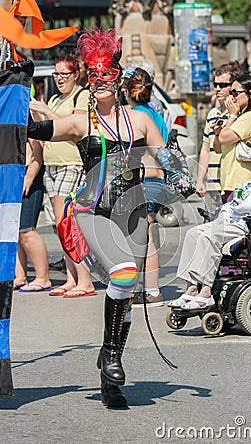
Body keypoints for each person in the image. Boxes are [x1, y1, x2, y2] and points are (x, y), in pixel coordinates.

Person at [28, 28, 181, 408]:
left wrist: (180, 175)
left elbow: (165, 158)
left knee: (125, 293)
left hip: (130, 211)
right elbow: (41, 129)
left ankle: (110, 374)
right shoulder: (83, 121)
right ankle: (111, 356)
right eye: (91, 75)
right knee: (126, 272)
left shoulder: (140, 121)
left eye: (105, 74)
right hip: (91, 210)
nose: (98, 82)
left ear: (118, 77)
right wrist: (14, 99)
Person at [169, 135, 251, 310]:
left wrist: (250, 209)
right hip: (235, 220)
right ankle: (190, 288)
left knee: (211, 236)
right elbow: (239, 194)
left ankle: (205, 291)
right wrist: (228, 209)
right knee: (193, 233)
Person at [30, 55, 95, 298]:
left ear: (76, 74)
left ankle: (85, 279)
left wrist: (46, 110)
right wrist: (38, 114)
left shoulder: (82, 96)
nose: (59, 79)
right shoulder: (56, 98)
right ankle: (71, 278)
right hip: (53, 164)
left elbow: (75, 127)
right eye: (56, 74)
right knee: (60, 227)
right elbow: (48, 129)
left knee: (68, 223)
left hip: (72, 163)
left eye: (64, 74)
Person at [122, 66, 168, 307]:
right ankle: (146, 288)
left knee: (145, 236)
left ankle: (152, 291)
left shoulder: (136, 116)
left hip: (147, 180)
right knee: (146, 234)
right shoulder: (154, 113)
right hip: (156, 180)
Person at [213, 74, 251, 202]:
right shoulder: (238, 117)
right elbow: (218, 148)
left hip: (241, 181)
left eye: (235, 93)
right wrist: (217, 131)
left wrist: (232, 115)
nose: (231, 97)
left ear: (250, 94)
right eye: (230, 93)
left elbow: (224, 138)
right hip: (230, 182)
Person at [196, 61, 241, 197]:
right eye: (215, 85)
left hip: (232, 183)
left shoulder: (240, 113)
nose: (217, 89)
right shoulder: (212, 113)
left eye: (223, 85)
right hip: (212, 184)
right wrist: (200, 180)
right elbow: (205, 148)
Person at [13, 138, 51, 292]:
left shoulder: (23, 114)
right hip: (11, 174)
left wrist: (29, 177)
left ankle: (43, 277)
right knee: (13, 230)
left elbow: (37, 148)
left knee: (26, 230)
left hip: (28, 174)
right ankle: (20, 276)